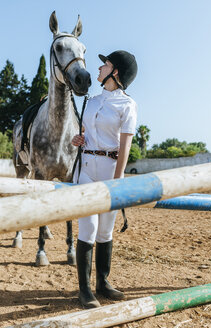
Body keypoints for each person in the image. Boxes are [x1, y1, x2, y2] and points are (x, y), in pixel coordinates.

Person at [71, 50, 138, 308]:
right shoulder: (92, 101)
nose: (99, 68)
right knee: (87, 226)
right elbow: (86, 133)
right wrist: (79, 139)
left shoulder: (128, 105)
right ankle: (85, 289)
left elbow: (125, 146)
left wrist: (118, 180)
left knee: (105, 230)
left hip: (110, 171)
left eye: (105, 65)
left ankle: (103, 283)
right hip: (86, 167)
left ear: (115, 72)